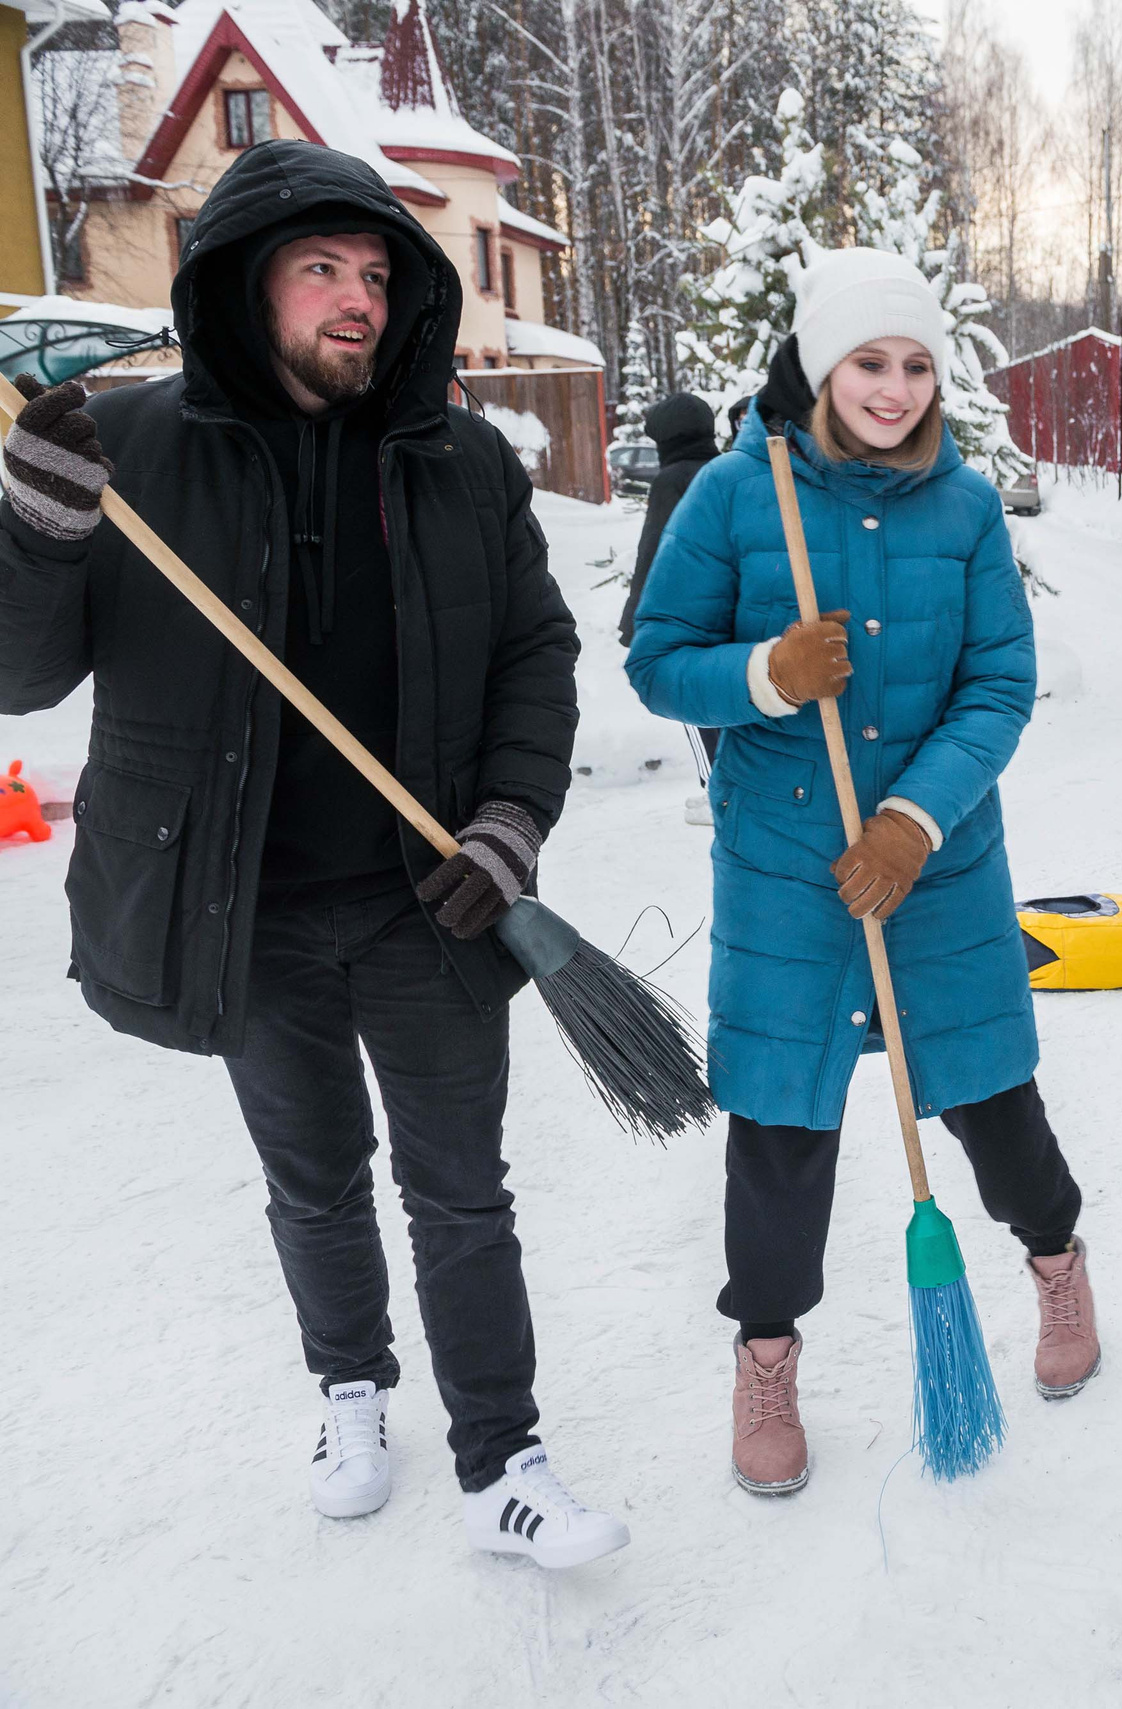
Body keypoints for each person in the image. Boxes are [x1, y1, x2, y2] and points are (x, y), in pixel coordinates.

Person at [0, 139, 625, 1567]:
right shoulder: (133, 452)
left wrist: (511, 822)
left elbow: (534, 656)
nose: (358, 299)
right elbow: (20, 680)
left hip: (433, 898)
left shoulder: (459, 459)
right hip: (240, 906)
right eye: (321, 269)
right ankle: (351, 1389)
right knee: (315, 1176)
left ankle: (502, 1458)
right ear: (242, 284)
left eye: (377, 274)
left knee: (461, 1187)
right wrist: (35, 532)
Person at [624, 248, 1099, 1498]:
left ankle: (1057, 1264)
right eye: (869, 361)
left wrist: (912, 818)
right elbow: (658, 659)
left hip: (937, 860)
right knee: (780, 1125)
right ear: (821, 365)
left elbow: (998, 683)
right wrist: (766, 675)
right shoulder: (739, 494)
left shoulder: (966, 508)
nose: (895, 388)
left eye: (917, 364)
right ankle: (766, 1357)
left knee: (992, 1097)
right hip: (785, 868)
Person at [615, 391, 724, 823]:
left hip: (688, 617)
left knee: (694, 705)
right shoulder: (726, 470)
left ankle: (716, 793)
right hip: (734, 614)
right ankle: (731, 789)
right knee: (731, 703)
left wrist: (634, 621)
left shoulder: (671, 481)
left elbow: (654, 550)